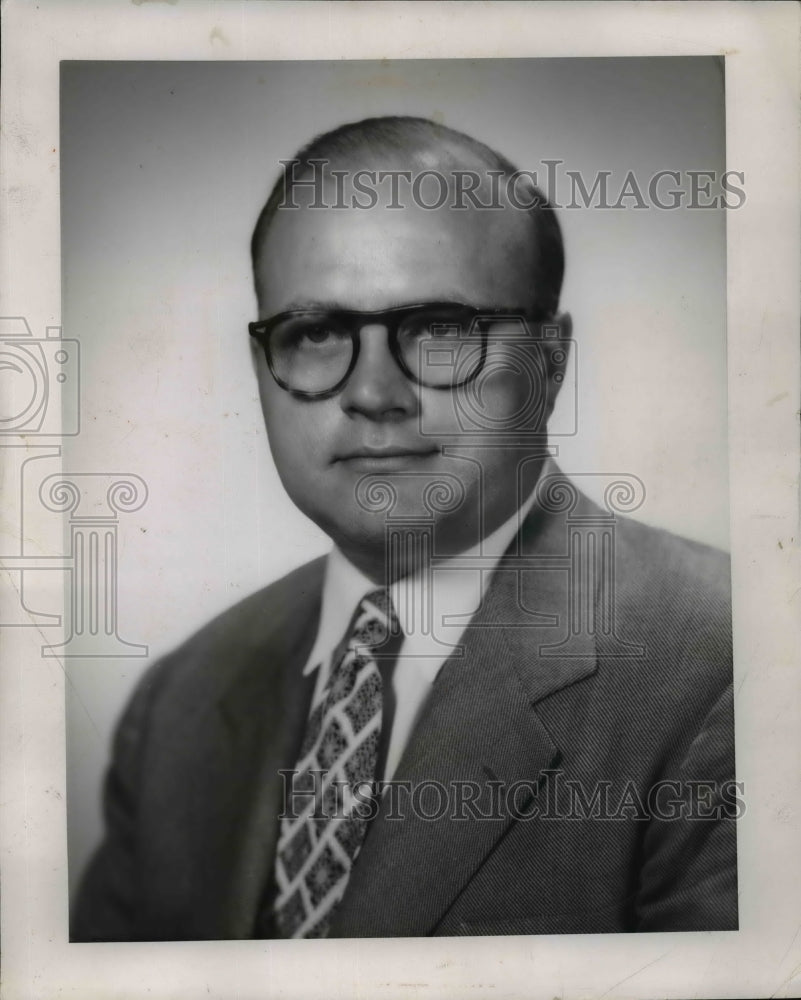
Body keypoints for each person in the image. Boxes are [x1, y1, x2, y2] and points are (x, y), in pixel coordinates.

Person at [72, 116, 737, 941]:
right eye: (314, 334)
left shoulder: (729, 665)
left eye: (440, 330)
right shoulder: (179, 704)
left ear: (550, 363)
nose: (374, 393)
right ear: (261, 366)